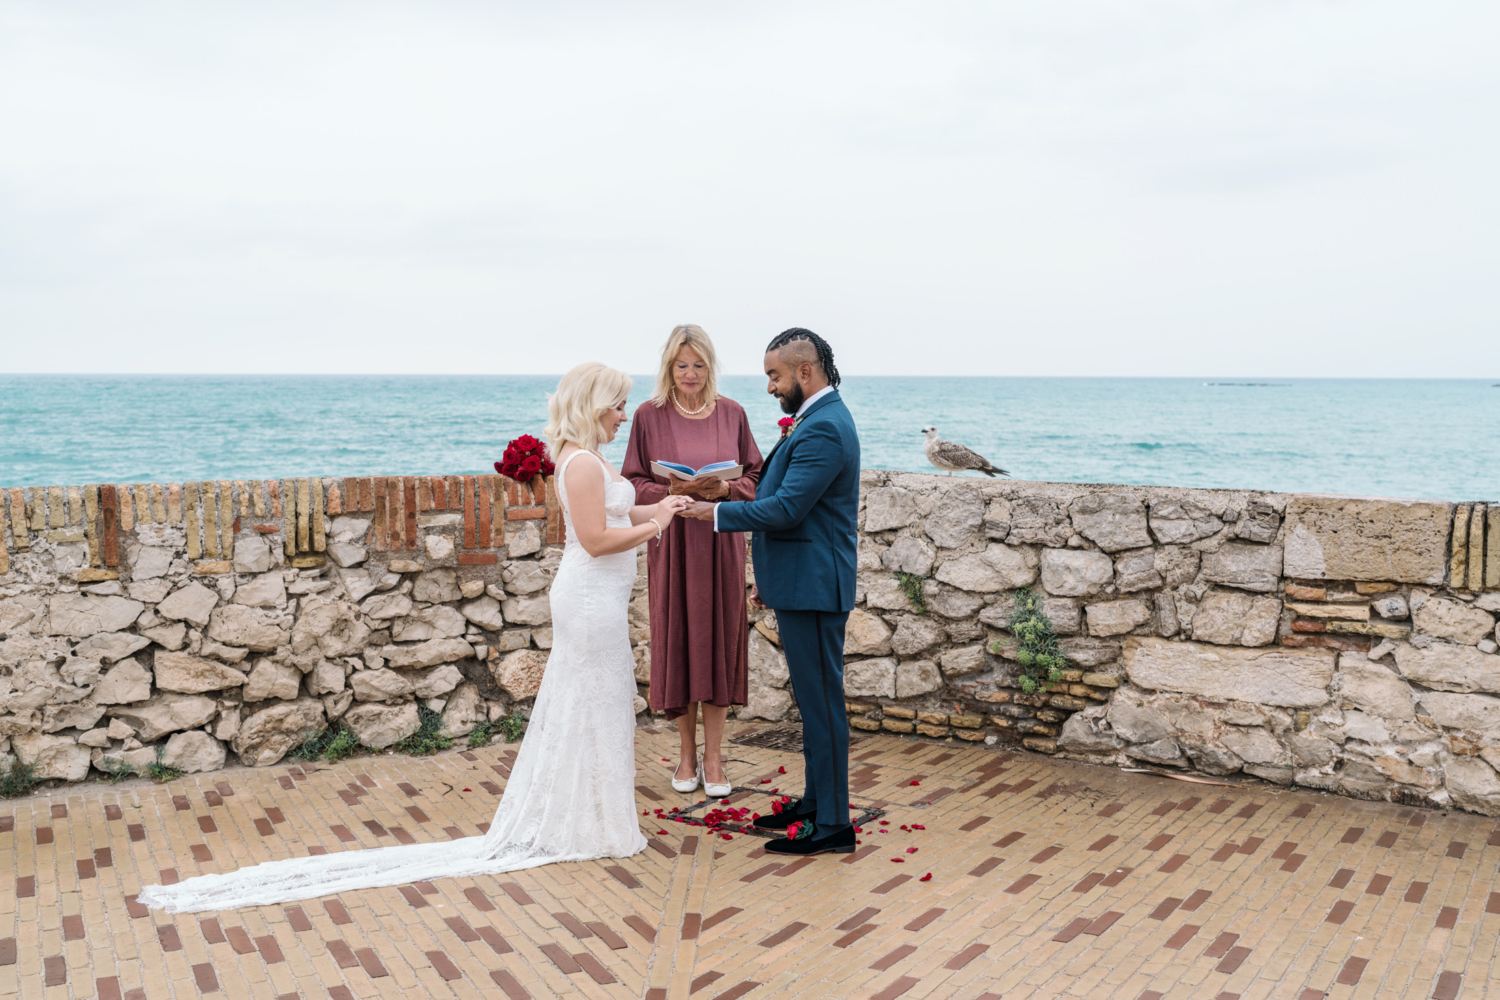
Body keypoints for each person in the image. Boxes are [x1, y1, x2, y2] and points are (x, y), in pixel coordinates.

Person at [136, 363, 689, 913]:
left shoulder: (580, 457)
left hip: (595, 597)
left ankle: (590, 818)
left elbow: (615, 512)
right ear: (594, 403)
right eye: (618, 405)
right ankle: (591, 822)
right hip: (591, 598)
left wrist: (660, 505)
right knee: (595, 703)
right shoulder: (585, 463)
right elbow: (594, 539)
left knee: (595, 705)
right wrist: (657, 524)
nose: (623, 415)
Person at [682, 328, 860, 856]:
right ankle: (814, 802)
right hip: (801, 582)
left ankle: (833, 825)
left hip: (816, 587)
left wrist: (712, 512)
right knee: (812, 703)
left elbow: (786, 509)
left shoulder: (825, 428)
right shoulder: (817, 420)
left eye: (775, 376)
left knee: (823, 705)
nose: (770, 387)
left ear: (805, 373)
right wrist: (773, 579)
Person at [621, 325, 764, 797]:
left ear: (710, 366)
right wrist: (671, 491)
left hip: (720, 543)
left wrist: (723, 489)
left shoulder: (733, 414)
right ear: (668, 366)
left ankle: (715, 757)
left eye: (698, 364)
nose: (690, 374)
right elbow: (632, 485)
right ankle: (685, 755)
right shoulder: (648, 416)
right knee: (678, 642)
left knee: (720, 643)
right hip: (672, 543)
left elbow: (758, 479)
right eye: (682, 365)